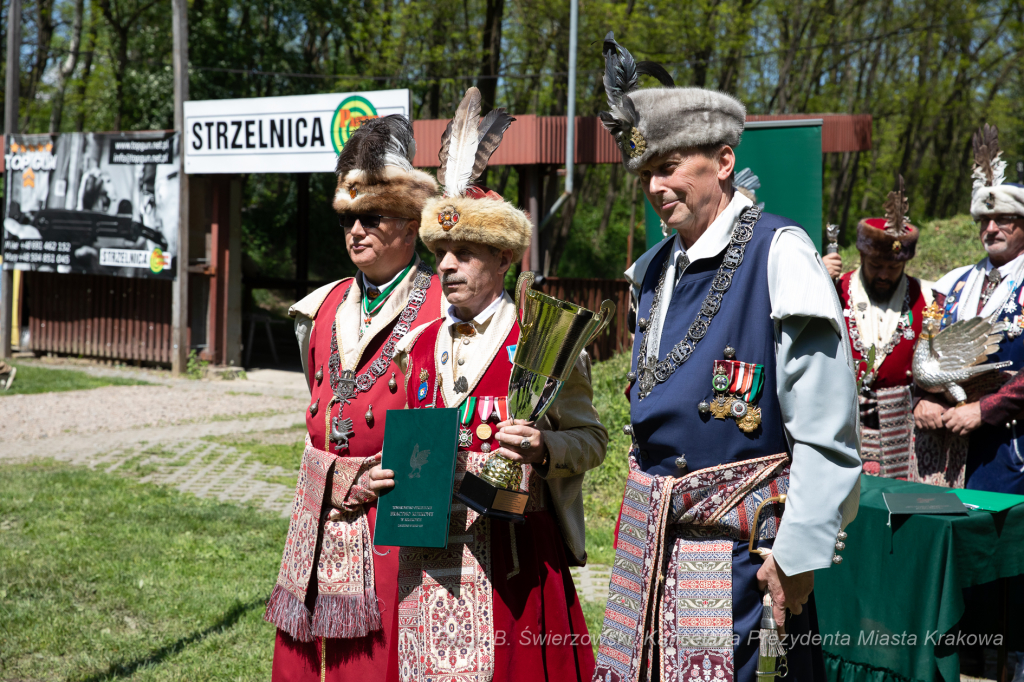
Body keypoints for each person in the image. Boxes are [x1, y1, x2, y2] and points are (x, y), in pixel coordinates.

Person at [592, 35, 861, 682]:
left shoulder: (781, 255)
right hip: (650, 560)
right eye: (646, 172)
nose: (656, 185)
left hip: (746, 567)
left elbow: (828, 432)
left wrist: (798, 554)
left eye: (670, 165)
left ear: (723, 159)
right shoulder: (652, 272)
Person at [365, 87, 607, 681]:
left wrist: (546, 448)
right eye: (441, 251)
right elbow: (397, 440)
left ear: (502, 261)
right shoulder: (412, 346)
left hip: (513, 568)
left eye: (465, 253)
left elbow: (592, 441)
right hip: (424, 562)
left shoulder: (543, 343)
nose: (446, 265)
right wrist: (378, 474)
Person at [264, 114, 446, 681]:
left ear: (412, 225)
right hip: (320, 513)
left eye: (373, 217)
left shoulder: (444, 309)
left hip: (394, 521)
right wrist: (332, 479)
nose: (356, 231)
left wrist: (375, 480)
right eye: (348, 218)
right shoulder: (320, 308)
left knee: (376, 663)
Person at [913, 123, 1024, 494]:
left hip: (1011, 445)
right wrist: (924, 398)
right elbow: (923, 347)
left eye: (1004, 220)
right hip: (949, 445)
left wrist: (984, 409)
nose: (991, 229)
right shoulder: (953, 284)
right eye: (984, 221)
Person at [835, 176, 927, 478]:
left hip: (900, 425)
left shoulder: (924, 297)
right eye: (876, 266)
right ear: (862, 255)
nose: (885, 275)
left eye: (894, 267)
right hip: (844, 419)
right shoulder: (835, 289)